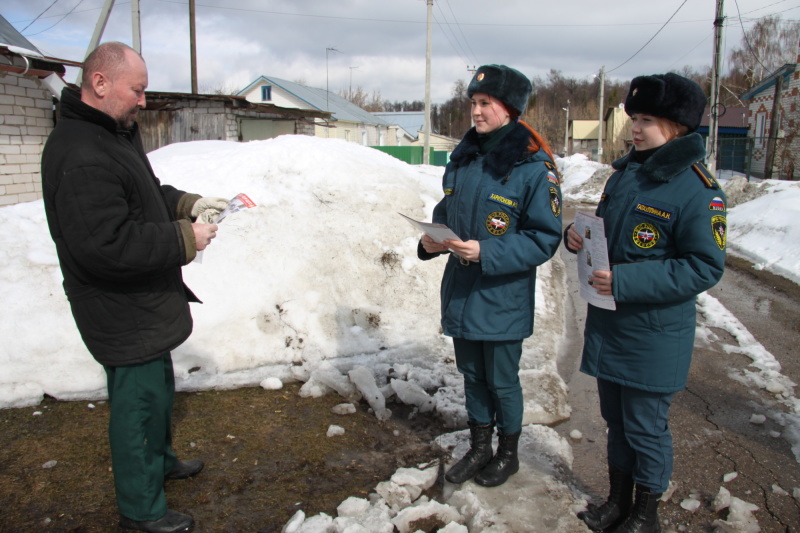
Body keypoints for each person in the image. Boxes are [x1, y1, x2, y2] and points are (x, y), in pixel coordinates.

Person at [41, 42, 229, 533]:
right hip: (118, 307)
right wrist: (186, 237)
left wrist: (188, 202)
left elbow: (142, 197)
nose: (144, 101)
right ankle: (141, 510)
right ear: (100, 83)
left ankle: (160, 462)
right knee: (137, 406)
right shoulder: (79, 152)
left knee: (158, 391)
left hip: (142, 302)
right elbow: (106, 245)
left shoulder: (112, 134)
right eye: (138, 91)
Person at [565, 73, 727, 533]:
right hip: (612, 324)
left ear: (677, 126)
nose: (634, 128)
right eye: (633, 118)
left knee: (645, 428)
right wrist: (577, 236)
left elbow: (703, 267)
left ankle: (645, 514)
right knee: (615, 422)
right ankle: (617, 502)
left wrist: (627, 280)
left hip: (654, 334)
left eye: (647, 120)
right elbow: (609, 236)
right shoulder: (628, 173)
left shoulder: (698, 189)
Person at [418, 64, 562, 488]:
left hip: (502, 295)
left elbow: (543, 239)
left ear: (510, 110)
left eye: (486, 104)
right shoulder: (463, 159)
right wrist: (431, 241)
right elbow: (446, 214)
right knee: (473, 376)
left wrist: (487, 251)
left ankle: (508, 453)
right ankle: (480, 447)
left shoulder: (534, 169)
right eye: (474, 104)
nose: (476, 113)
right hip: (463, 290)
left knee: (501, 379)